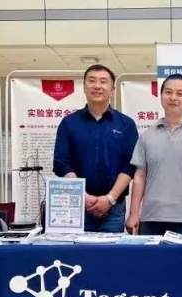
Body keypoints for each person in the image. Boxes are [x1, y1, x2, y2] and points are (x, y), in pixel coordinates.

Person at [125, 74, 182, 236]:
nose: (173, 97)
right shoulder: (147, 136)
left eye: (179, 93)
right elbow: (139, 176)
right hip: (151, 218)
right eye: (168, 92)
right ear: (161, 97)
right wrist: (133, 214)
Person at [53, 64, 139, 233]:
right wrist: (83, 197)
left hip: (114, 208)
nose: (97, 86)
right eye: (92, 81)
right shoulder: (69, 123)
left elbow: (130, 166)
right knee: (75, 250)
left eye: (103, 81)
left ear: (112, 89)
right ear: (84, 87)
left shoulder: (126, 124)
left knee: (112, 250)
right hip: (76, 206)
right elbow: (62, 163)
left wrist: (110, 199)